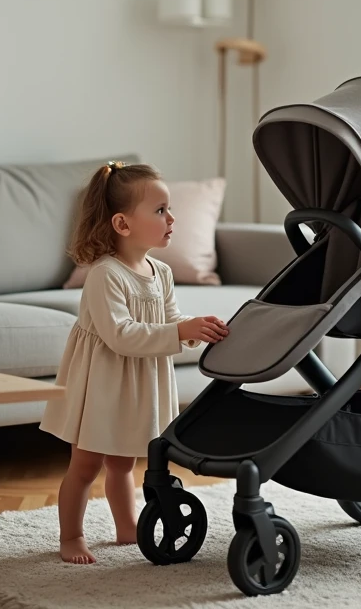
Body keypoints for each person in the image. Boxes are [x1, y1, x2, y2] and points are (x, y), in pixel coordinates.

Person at [40, 161, 230, 563]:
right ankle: (71, 536)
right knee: (86, 464)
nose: (171, 218)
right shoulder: (105, 275)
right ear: (123, 224)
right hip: (103, 383)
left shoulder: (160, 272)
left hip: (137, 379)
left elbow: (170, 320)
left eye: (169, 208)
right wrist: (178, 332)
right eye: (160, 210)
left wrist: (194, 328)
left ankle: (127, 527)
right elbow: (120, 334)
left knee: (123, 462)